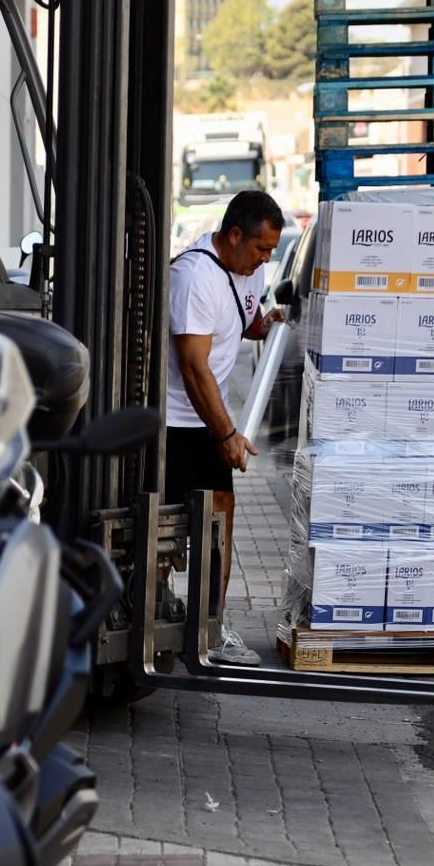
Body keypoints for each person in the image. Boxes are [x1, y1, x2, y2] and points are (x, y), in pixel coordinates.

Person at [165, 190, 286, 666]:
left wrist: (267, 324)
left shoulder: (247, 268)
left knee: (220, 519)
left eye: (270, 252)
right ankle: (154, 615)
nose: (265, 260)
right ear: (234, 235)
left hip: (208, 419)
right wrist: (225, 434)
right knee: (168, 526)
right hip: (177, 421)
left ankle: (210, 630)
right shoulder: (193, 277)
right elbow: (193, 367)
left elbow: (245, 318)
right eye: (260, 249)